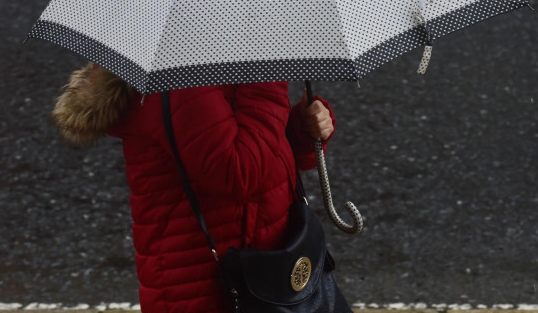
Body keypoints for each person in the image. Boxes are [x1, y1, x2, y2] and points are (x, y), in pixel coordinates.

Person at [51, 62, 337, 313]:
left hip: (268, 274)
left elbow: (262, 151)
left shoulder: (221, 56)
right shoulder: (178, 79)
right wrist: (267, 77)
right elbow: (238, 174)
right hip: (207, 290)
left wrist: (300, 130)